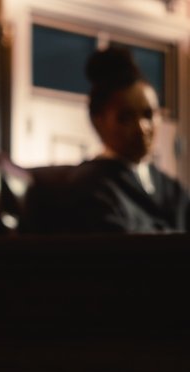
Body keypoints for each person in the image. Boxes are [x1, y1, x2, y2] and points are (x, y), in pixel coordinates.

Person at [70, 46, 190, 233]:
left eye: (148, 114)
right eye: (125, 117)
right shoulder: (89, 185)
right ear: (98, 121)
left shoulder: (172, 189)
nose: (142, 128)